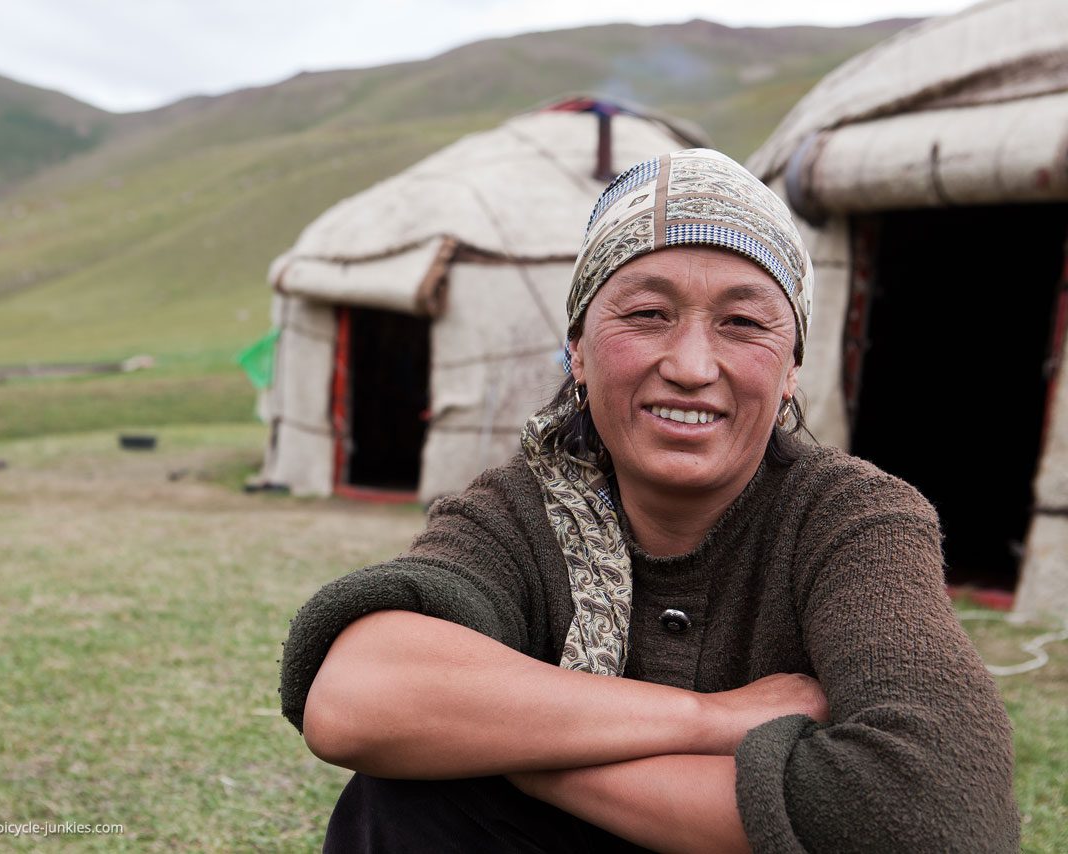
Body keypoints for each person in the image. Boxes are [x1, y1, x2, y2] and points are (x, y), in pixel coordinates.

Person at [278, 149, 1019, 852]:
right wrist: (715, 718)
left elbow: (938, 817)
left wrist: (514, 751)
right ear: (577, 349)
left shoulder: (851, 520)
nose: (692, 366)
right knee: (404, 801)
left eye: (744, 323)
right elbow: (358, 696)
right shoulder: (519, 511)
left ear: (792, 366)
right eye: (646, 314)